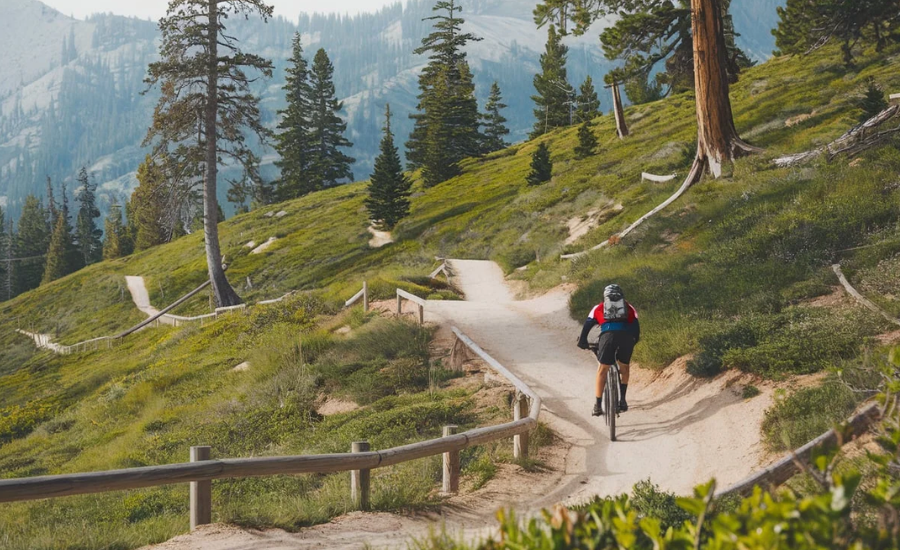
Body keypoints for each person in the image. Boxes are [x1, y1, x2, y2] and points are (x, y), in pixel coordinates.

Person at [576, 284, 640, 416]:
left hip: (608, 337)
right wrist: (633, 341)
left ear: (605, 296)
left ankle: (598, 406)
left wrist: (582, 342)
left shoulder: (599, 307)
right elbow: (636, 328)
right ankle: (622, 400)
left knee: (602, 370)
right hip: (626, 338)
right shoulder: (629, 307)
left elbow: (587, 326)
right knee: (625, 368)